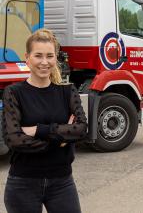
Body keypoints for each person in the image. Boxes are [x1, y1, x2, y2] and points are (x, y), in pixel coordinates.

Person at [2, 29, 87, 213]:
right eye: (38, 55)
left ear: (56, 58)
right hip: (23, 185)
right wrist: (61, 140)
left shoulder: (68, 91)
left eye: (50, 56)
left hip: (62, 183)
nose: (44, 62)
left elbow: (81, 129)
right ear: (27, 57)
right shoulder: (14, 93)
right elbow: (14, 140)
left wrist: (39, 130)